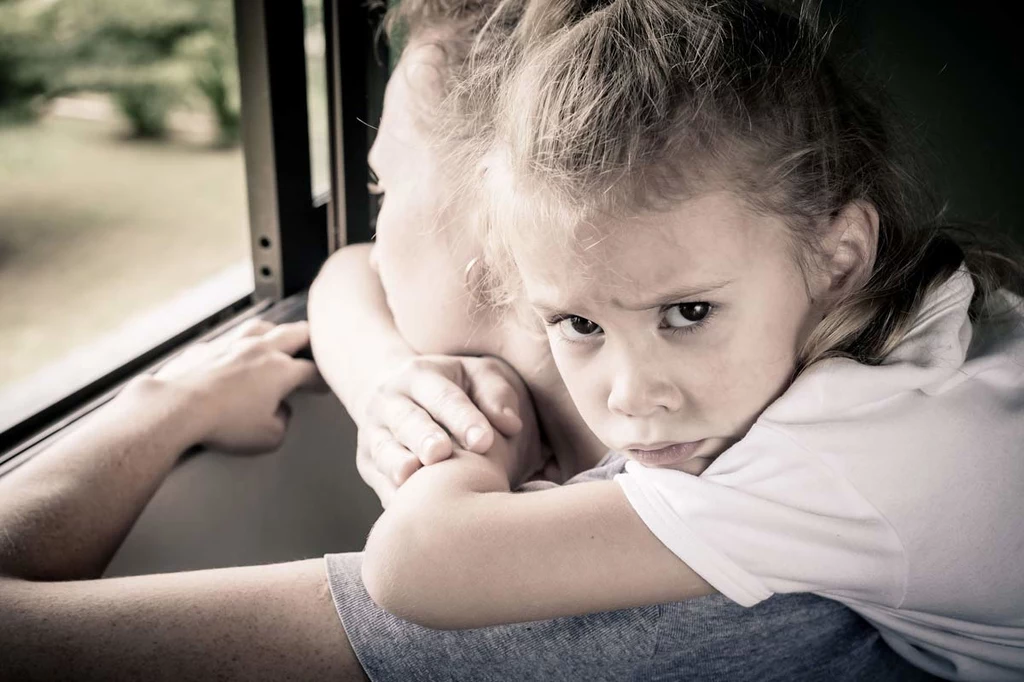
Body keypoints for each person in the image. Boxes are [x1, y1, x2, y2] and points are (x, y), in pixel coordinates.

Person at [0, 3, 935, 682]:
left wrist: (159, 408)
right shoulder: (750, 351)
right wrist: (393, 383)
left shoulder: (677, 576)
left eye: (379, 187)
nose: (370, 228)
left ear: (511, 231)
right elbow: (350, 276)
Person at [354, 1, 1024, 681]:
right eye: (580, 325)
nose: (633, 396)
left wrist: (472, 453)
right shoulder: (904, 309)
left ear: (840, 259)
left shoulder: (837, 454)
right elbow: (347, 274)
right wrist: (387, 368)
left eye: (689, 312)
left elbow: (412, 564)